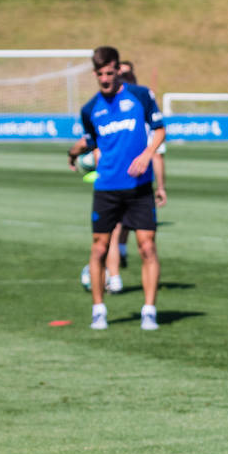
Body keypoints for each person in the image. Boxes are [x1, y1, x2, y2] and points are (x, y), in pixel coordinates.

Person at [68, 46, 165, 331]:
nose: (105, 79)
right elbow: (92, 142)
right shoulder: (89, 109)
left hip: (139, 187)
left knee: (147, 247)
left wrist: (147, 154)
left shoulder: (140, 95)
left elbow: (160, 130)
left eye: (109, 73)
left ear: (117, 69)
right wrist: (73, 154)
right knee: (99, 248)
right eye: (100, 74)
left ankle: (149, 310)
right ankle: (99, 309)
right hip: (107, 188)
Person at [101, 60, 167, 296]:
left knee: (118, 230)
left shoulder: (128, 103)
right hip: (135, 182)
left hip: (126, 181)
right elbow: (158, 155)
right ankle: (116, 272)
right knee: (139, 239)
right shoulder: (142, 101)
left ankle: (115, 276)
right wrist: (161, 186)